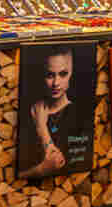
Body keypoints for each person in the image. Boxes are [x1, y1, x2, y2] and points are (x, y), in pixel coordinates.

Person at [19, 48, 79, 179]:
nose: (56, 83)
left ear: (71, 73)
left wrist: (41, 126)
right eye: (50, 75)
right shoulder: (29, 110)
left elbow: (55, 164)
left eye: (63, 74)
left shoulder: (77, 114)